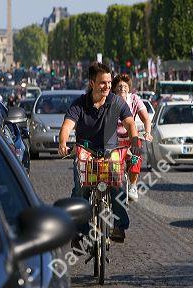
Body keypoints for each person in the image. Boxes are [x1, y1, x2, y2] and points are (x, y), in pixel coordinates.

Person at [58, 62, 140, 245]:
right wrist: (63, 143)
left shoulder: (116, 101)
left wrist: (134, 140)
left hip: (110, 154)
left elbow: (130, 123)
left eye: (109, 82)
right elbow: (67, 126)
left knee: (118, 185)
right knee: (81, 190)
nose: (108, 86)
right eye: (103, 82)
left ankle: (119, 226)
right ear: (91, 83)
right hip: (85, 154)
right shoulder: (79, 104)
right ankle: (79, 232)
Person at [112, 74, 153, 202]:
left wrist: (147, 132)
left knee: (136, 157)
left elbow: (146, 118)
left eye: (125, 86)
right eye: (119, 86)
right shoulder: (109, 100)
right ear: (114, 89)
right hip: (114, 140)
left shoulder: (135, 99)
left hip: (131, 138)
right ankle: (114, 188)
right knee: (112, 164)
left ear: (129, 89)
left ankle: (133, 186)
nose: (122, 88)